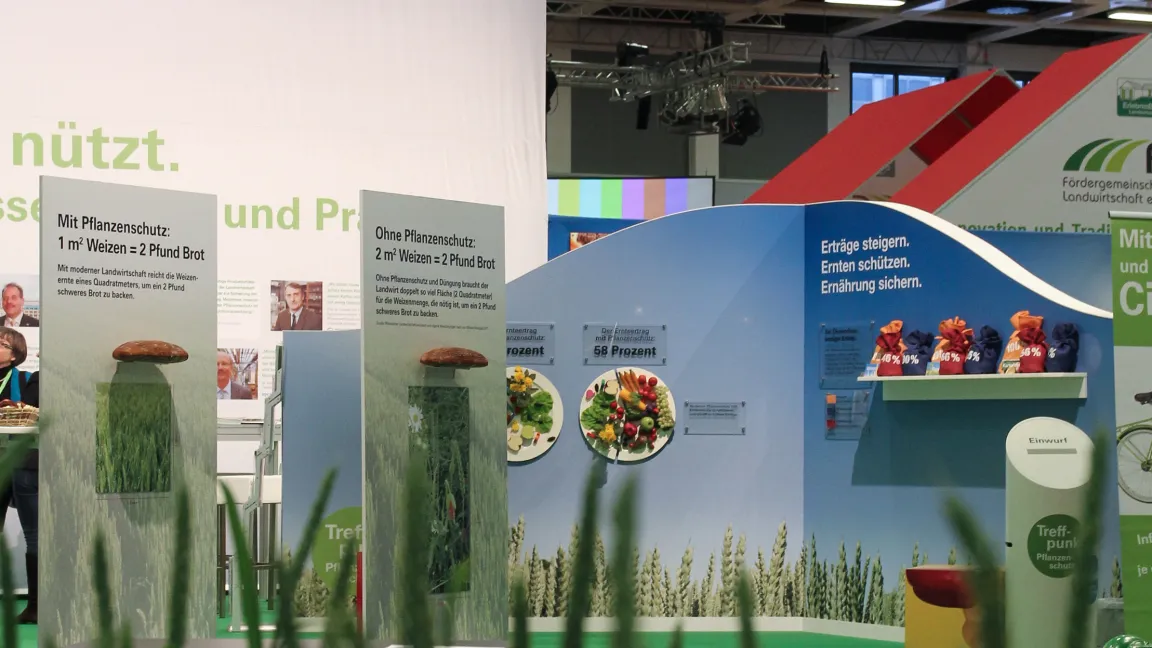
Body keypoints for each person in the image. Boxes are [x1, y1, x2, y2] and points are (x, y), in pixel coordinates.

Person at [0, 327, 38, 623]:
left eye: (0, 343)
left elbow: (30, 413)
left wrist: (14, 408)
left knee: (33, 534)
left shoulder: (27, 379)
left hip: (21, 463)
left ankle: (35, 606)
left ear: (14, 355)